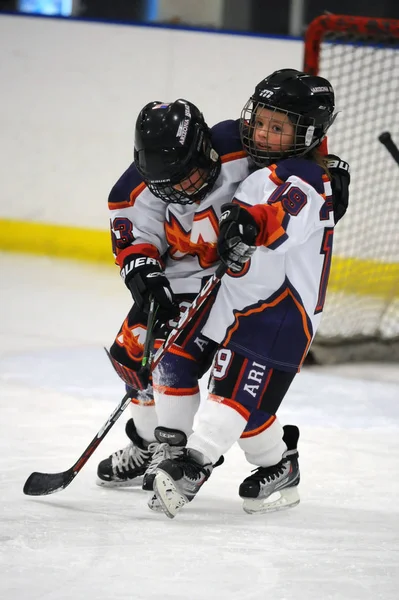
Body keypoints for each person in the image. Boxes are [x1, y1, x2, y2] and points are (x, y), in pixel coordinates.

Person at [97, 90, 349, 501]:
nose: (181, 188)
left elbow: (294, 146)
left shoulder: (241, 145)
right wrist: (142, 272)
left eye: (189, 175)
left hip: (236, 286)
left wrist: (328, 168)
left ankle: (181, 454)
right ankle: (149, 445)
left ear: (205, 148)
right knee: (134, 353)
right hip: (181, 279)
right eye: (167, 185)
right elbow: (133, 237)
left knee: (209, 373)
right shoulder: (134, 187)